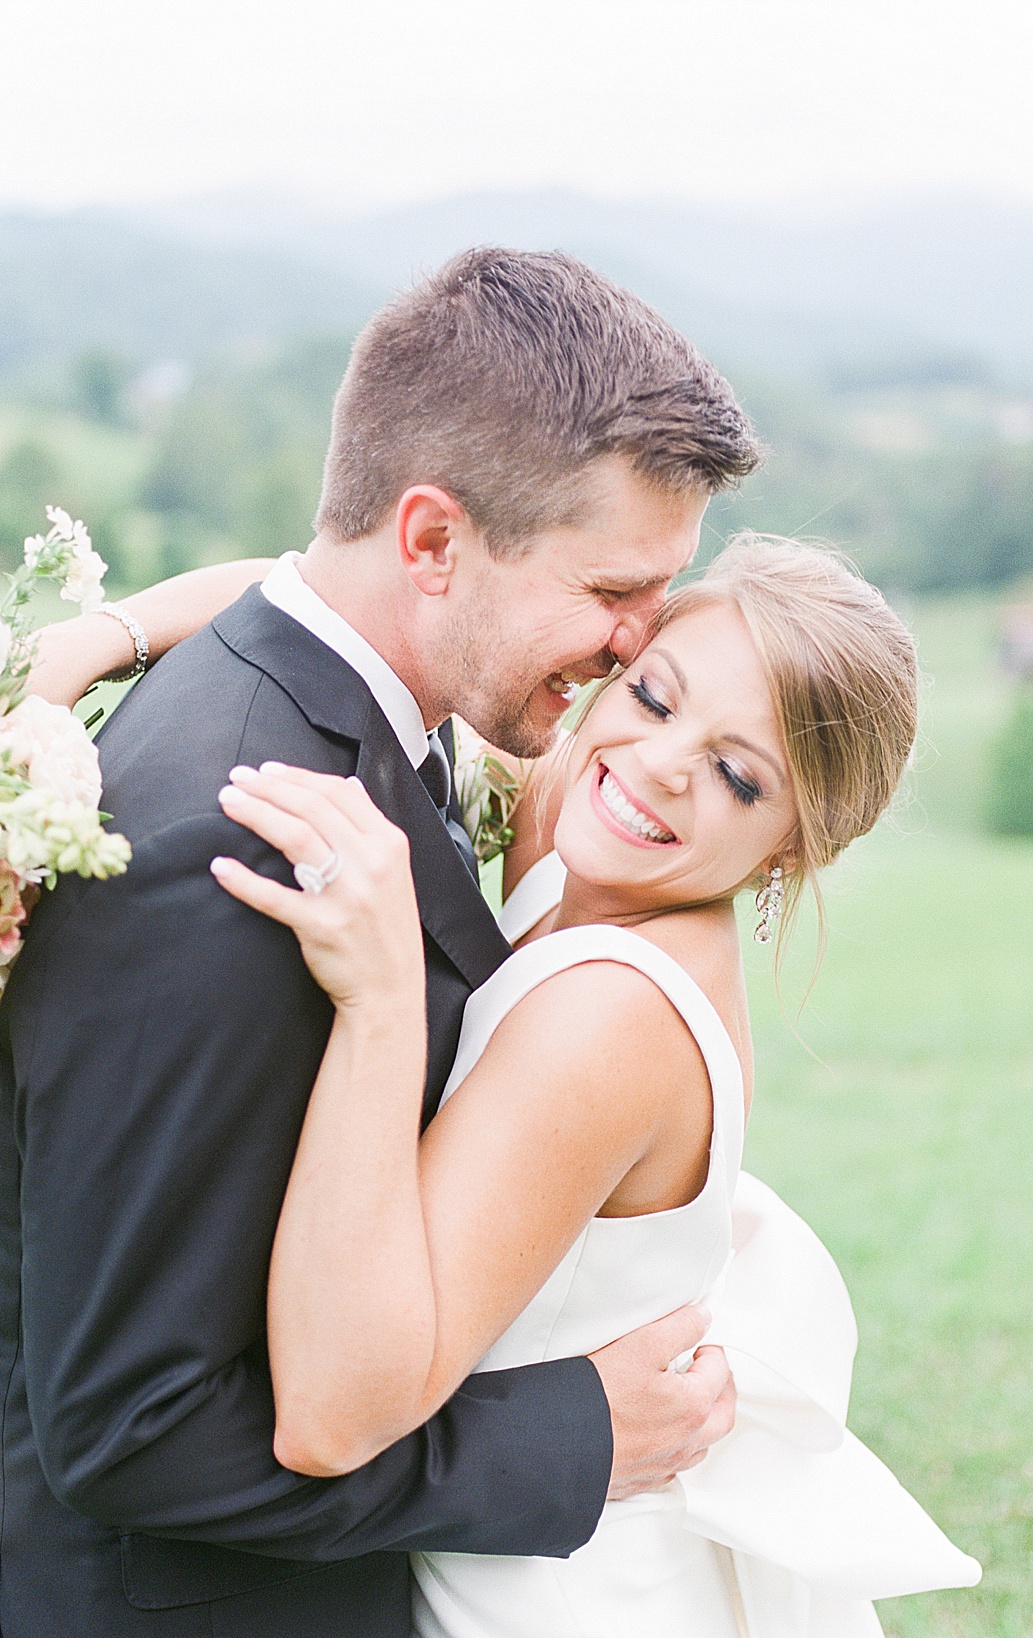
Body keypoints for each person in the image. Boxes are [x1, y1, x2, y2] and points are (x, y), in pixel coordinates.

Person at [0, 248, 761, 1636]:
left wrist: (90, 642)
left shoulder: (364, 698)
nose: (637, 641)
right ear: (429, 542)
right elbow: (131, 1430)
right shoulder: (228, 849)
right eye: (612, 589)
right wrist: (570, 1436)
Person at [99, 534, 981, 1636]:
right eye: (656, 696)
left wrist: (378, 1002)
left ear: (791, 850)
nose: (663, 763)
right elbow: (344, 608)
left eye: (739, 775)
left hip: (550, 1591)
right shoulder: (591, 824)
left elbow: (329, 1419)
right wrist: (94, 642)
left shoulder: (607, 1017)